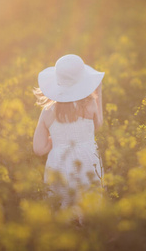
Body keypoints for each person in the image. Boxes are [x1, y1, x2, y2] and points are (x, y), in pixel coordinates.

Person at [33, 54, 104, 210]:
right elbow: (98, 125)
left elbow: (39, 149)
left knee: (62, 207)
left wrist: (59, 140)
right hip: (88, 159)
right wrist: (98, 92)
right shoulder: (90, 104)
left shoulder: (47, 111)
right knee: (89, 206)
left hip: (60, 163)